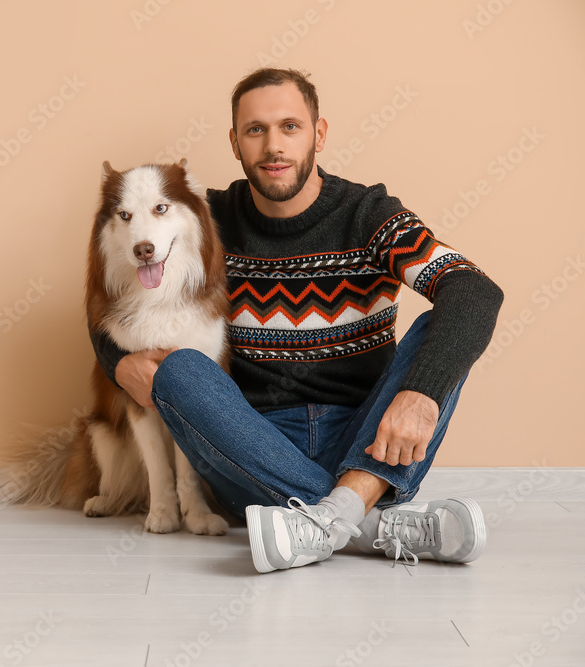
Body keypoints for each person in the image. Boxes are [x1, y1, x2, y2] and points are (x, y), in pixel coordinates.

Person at [88, 67, 504, 573]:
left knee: (437, 335)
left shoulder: (367, 214)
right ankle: (370, 523)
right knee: (180, 371)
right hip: (249, 448)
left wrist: (421, 394)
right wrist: (116, 361)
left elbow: (475, 291)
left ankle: (328, 520)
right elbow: (114, 293)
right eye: (255, 130)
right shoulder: (204, 218)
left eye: (290, 127)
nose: (273, 147)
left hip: (364, 439)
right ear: (235, 144)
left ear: (319, 134)